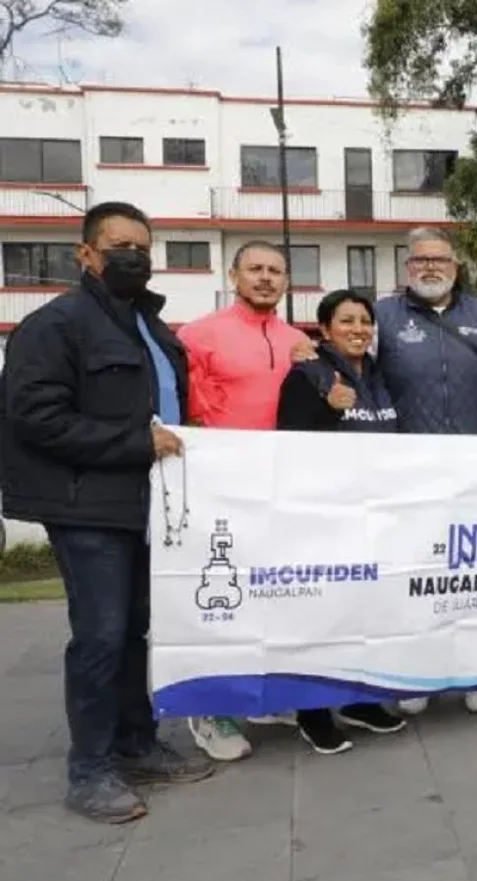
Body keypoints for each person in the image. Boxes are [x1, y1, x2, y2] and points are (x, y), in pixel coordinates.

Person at [0, 201, 215, 823]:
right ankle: (88, 769)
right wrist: (134, 443)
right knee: (99, 636)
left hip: (150, 506)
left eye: (144, 249)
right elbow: (34, 418)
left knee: (134, 634)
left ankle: (136, 743)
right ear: (86, 254)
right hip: (88, 506)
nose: (134, 258)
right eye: (120, 246)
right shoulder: (55, 325)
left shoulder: (149, 325)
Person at [177, 240, 314, 761]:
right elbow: (183, 409)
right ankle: (209, 710)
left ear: (286, 282)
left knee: (270, 596)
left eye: (275, 271)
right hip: (219, 485)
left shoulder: (297, 339)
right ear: (234, 275)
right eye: (254, 269)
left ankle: (260, 698)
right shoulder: (199, 335)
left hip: (279, 487)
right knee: (220, 600)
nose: (265, 278)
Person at [365, 226, 477, 716]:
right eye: (419, 260)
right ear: (407, 268)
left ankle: (475, 672)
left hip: (475, 471)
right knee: (416, 578)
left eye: (439, 260)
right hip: (410, 470)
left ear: (455, 267)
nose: (429, 267)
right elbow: (350, 367)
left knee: (471, 574)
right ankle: (416, 674)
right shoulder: (382, 316)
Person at [275, 290, 408, 752]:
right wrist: (326, 407)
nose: (358, 329)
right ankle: (311, 711)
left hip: (373, 517)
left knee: (364, 614)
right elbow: (290, 446)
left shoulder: (378, 376)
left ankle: (358, 700)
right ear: (325, 329)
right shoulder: (307, 374)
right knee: (321, 617)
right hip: (322, 519)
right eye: (346, 321)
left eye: (365, 321)